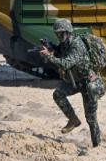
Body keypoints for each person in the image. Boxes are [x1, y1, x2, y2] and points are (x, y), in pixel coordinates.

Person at [39, 18, 102, 147]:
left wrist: (49, 56)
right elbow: (60, 51)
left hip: (87, 83)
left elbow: (66, 63)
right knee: (58, 94)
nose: (59, 36)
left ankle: (97, 145)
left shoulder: (77, 45)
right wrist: (51, 47)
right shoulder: (65, 43)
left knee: (91, 118)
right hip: (74, 81)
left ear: (67, 32)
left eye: (60, 34)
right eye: (57, 34)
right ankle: (73, 120)